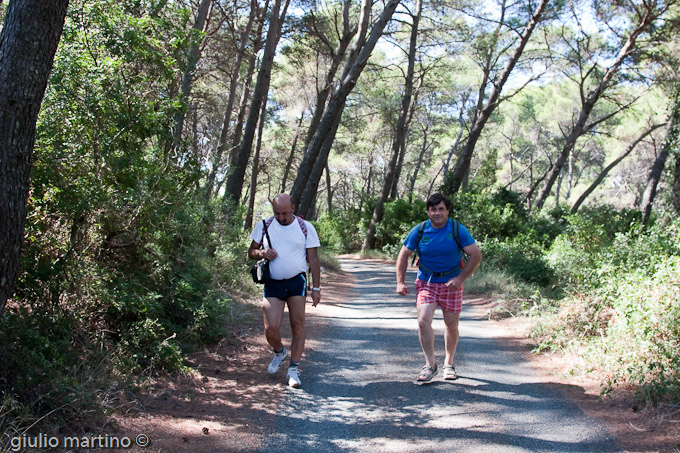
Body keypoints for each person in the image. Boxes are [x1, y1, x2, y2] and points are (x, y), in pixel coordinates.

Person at [395, 193, 482, 383]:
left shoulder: (458, 230)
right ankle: (430, 364)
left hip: (452, 283)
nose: (437, 213)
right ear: (428, 211)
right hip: (427, 281)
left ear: (447, 211)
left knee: (451, 324)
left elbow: (475, 255)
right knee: (422, 321)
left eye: (441, 209)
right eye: (433, 209)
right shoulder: (419, 230)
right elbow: (403, 255)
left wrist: (460, 278)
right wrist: (400, 282)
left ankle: (449, 364)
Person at [248, 193, 322, 388]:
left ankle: (293, 370)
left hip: (297, 281)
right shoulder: (264, 225)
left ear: (293, 208)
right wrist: (262, 253)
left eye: (284, 213)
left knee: (298, 326)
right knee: (270, 328)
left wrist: (316, 288)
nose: (280, 217)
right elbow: (251, 252)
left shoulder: (306, 227)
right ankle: (280, 351)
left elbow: (313, 259)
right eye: (277, 213)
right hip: (273, 283)